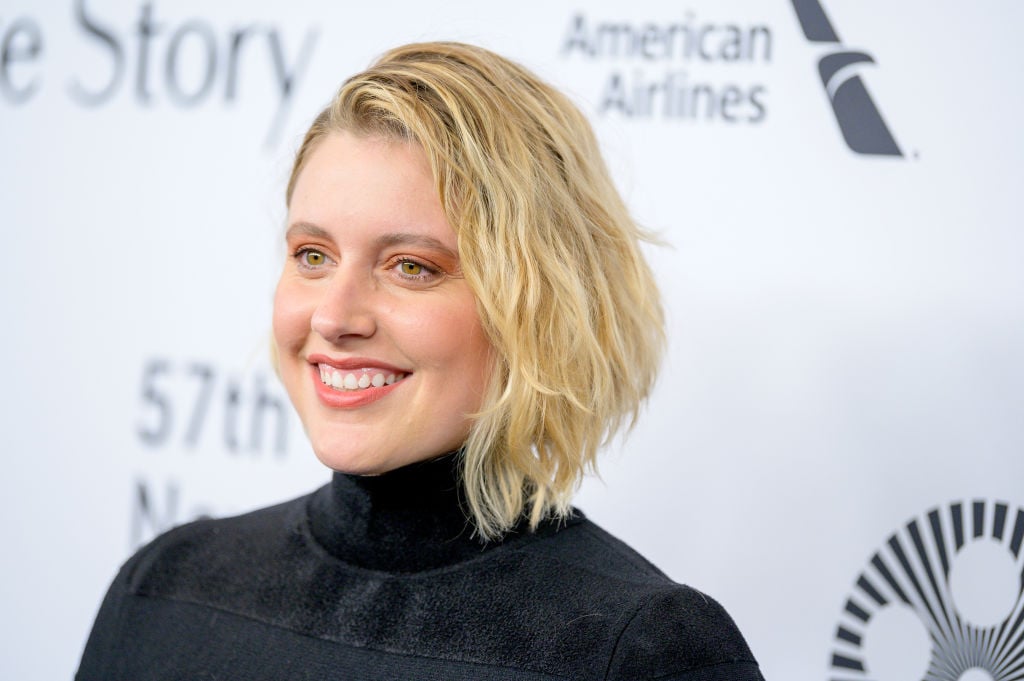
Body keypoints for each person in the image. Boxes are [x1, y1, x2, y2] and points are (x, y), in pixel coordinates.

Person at [77, 42, 765, 680]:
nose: (334, 317)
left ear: (539, 307)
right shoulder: (169, 584)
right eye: (312, 255)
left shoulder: (641, 650)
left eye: (411, 266)